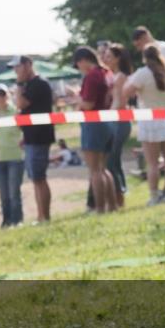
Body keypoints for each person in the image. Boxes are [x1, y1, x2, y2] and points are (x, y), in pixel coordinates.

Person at [124, 45, 165, 205]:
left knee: (152, 163)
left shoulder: (143, 74)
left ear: (144, 58)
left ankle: (154, 196)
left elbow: (126, 92)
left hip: (150, 119)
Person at [71, 46, 118, 213]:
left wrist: (77, 99)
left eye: (78, 64)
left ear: (83, 60)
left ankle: (99, 208)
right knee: (104, 169)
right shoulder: (107, 73)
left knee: (95, 171)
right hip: (108, 122)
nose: (79, 68)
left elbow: (89, 104)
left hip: (93, 123)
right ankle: (112, 205)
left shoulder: (91, 76)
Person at [9, 56, 55, 223]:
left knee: (39, 177)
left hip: (39, 136)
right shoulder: (32, 84)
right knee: (35, 178)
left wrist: (19, 84)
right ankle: (41, 216)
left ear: (28, 65)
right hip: (31, 137)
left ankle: (45, 216)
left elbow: (20, 104)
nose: (16, 71)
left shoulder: (39, 84)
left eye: (18, 67)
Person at [103, 43, 135, 204]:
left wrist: (107, 115)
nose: (105, 59)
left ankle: (119, 195)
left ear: (117, 58)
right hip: (115, 120)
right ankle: (120, 192)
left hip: (119, 122)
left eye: (109, 56)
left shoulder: (121, 77)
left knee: (111, 160)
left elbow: (121, 102)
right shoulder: (114, 76)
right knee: (114, 160)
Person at [0, 84, 24, 227]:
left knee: (14, 192)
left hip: (15, 156)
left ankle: (17, 220)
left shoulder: (15, 112)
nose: (0, 98)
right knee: (4, 194)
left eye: (2, 94)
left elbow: (24, 128)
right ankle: (6, 220)